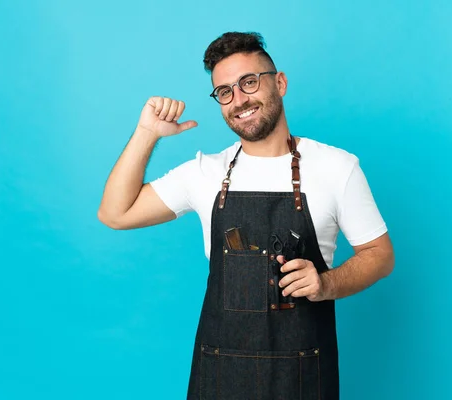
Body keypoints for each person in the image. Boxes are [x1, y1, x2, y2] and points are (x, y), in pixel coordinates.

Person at [98, 31, 395, 400]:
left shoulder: (337, 168)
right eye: (225, 91)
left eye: (249, 82)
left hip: (301, 377)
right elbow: (115, 213)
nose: (239, 100)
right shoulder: (204, 172)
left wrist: (326, 284)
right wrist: (147, 134)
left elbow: (380, 256)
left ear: (280, 82)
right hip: (221, 374)